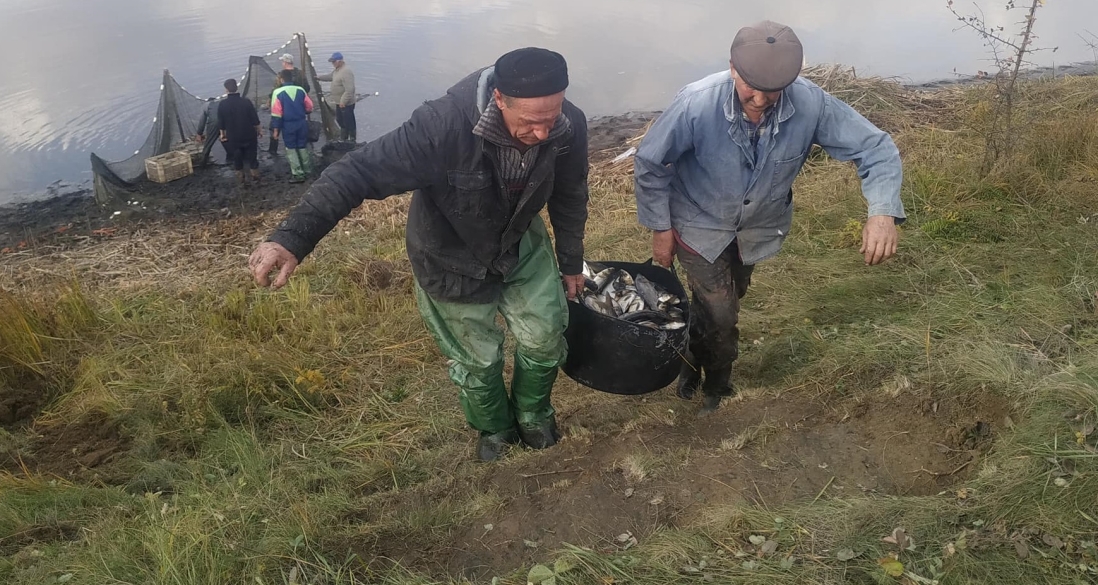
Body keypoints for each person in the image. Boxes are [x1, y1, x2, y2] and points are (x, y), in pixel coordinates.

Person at [248, 48, 590, 462]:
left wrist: (571, 261)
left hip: (520, 240)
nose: (543, 134)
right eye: (531, 123)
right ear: (499, 99)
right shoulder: (439, 125)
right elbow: (357, 173)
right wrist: (290, 239)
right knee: (479, 361)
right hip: (448, 254)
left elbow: (570, 194)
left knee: (545, 336)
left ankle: (533, 416)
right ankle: (496, 429)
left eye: (550, 119)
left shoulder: (567, 126)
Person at [634, 20, 905, 415]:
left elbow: (876, 148)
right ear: (732, 68)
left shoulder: (813, 104)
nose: (760, 100)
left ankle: (689, 365)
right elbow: (650, 163)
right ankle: (718, 387)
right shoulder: (696, 103)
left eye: (772, 91)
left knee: (721, 303)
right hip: (696, 224)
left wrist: (882, 213)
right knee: (722, 312)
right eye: (750, 88)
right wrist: (660, 228)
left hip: (756, 231)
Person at [270, 69, 315, 184]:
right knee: (302, 146)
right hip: (301, 123)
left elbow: (276, 114)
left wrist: (276, 130)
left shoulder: (277, 92)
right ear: (292, 79)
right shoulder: (300, 90)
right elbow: (310, 106)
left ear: (282, 79)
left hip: (288, 125)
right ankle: (308, 170)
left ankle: (298, 174)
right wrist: (304, 112)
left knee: (291, 148)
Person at [216, 78, 263, 186]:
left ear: (226, 90)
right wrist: (259, 130)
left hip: (233, 137)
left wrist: (222, 135)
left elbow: (221, 122)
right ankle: (256, 178)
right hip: (249, 134)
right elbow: (254, 119)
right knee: (252, 156)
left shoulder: (223, 104)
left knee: (237, 158)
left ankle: (241, 180)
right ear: (237, 88)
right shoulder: (246, 102)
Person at [269, 53, 311, 156]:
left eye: (282, 61)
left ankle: (273, 149)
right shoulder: (301, 73)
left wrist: (270, 101)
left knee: (275, 126)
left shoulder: (281, 75)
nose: (282, 63)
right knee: (301, 130)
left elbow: (275, 91)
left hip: (284, 106)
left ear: (285, 62)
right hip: (299, 106)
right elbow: (307, 88)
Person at [317, 52, 357, 142]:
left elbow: (350, 89)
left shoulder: (346, 72)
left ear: (340, 61)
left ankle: (352, 139)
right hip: (339, 102)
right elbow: (330, 77)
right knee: (340, 120)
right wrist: (319, 78)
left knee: (349, 121)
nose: (333, 63)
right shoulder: (337, 70)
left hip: (346, 103)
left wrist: (343, 101)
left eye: (334, 61)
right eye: (332, 62)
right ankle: (344, 137)